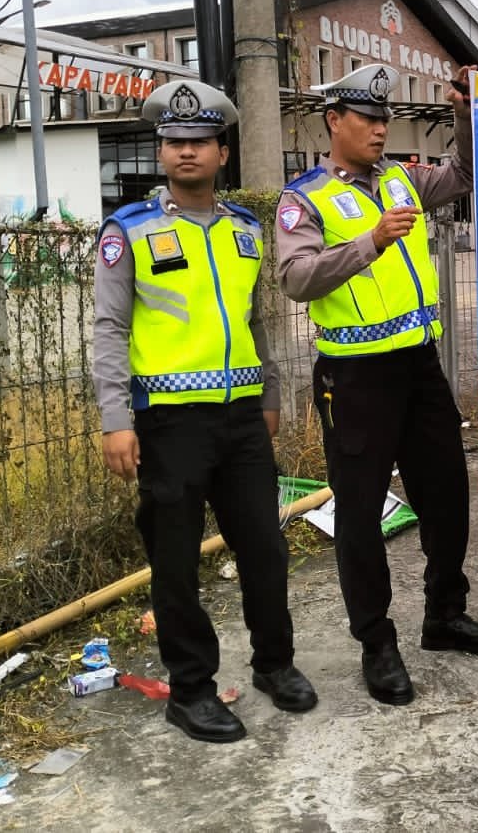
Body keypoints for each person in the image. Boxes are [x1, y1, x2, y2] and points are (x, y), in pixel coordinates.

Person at [275, 63, 478, 706]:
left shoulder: (404, 178)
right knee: (359, 515)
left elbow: (462, 176)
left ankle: (444, 616)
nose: (380, 129)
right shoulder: (305, 200)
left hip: (419, 366)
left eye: (385, 120)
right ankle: (377, 645)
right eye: (368, 119)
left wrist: (464, 114)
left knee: (445, 494)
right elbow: (296, 279)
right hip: (354, 380)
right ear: (335, 121)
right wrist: (369, 242)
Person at [93, 80, 316, 743]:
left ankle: (276, 665)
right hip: (167, 423)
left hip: (242, 419)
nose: (185, 151)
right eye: (173, 142)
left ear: (222, 152)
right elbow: (108, 329)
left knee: (266, 549)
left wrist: (270, 394)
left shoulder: (246, 230)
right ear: (161, 153)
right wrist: (115, 418)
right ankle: (190, 690)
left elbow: (256, 322)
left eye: (199, 142)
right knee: (176, 560)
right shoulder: (128, 231)